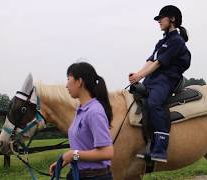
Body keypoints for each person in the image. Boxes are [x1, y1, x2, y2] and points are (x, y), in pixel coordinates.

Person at [128, 5, 191, 163]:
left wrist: (140, 76)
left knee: (154, 102)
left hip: (166, 80)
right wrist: (137, 75)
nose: (159, 22)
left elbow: (158, 63)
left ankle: (161, 149)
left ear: (172, 19)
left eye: (161, 18)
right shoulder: (161, 41)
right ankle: (146, 143)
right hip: (153, 79)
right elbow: (150, 60)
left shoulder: (177, 41)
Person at [49, 62, 114, 180]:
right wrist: (63, 162)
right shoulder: (81, 109)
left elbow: (107, 152)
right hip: (80, 174)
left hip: (94, 176)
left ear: (79, 81)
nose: (66, 85)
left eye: (68, 79)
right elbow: (83, 146)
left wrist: (72, 155)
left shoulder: (94, 112)